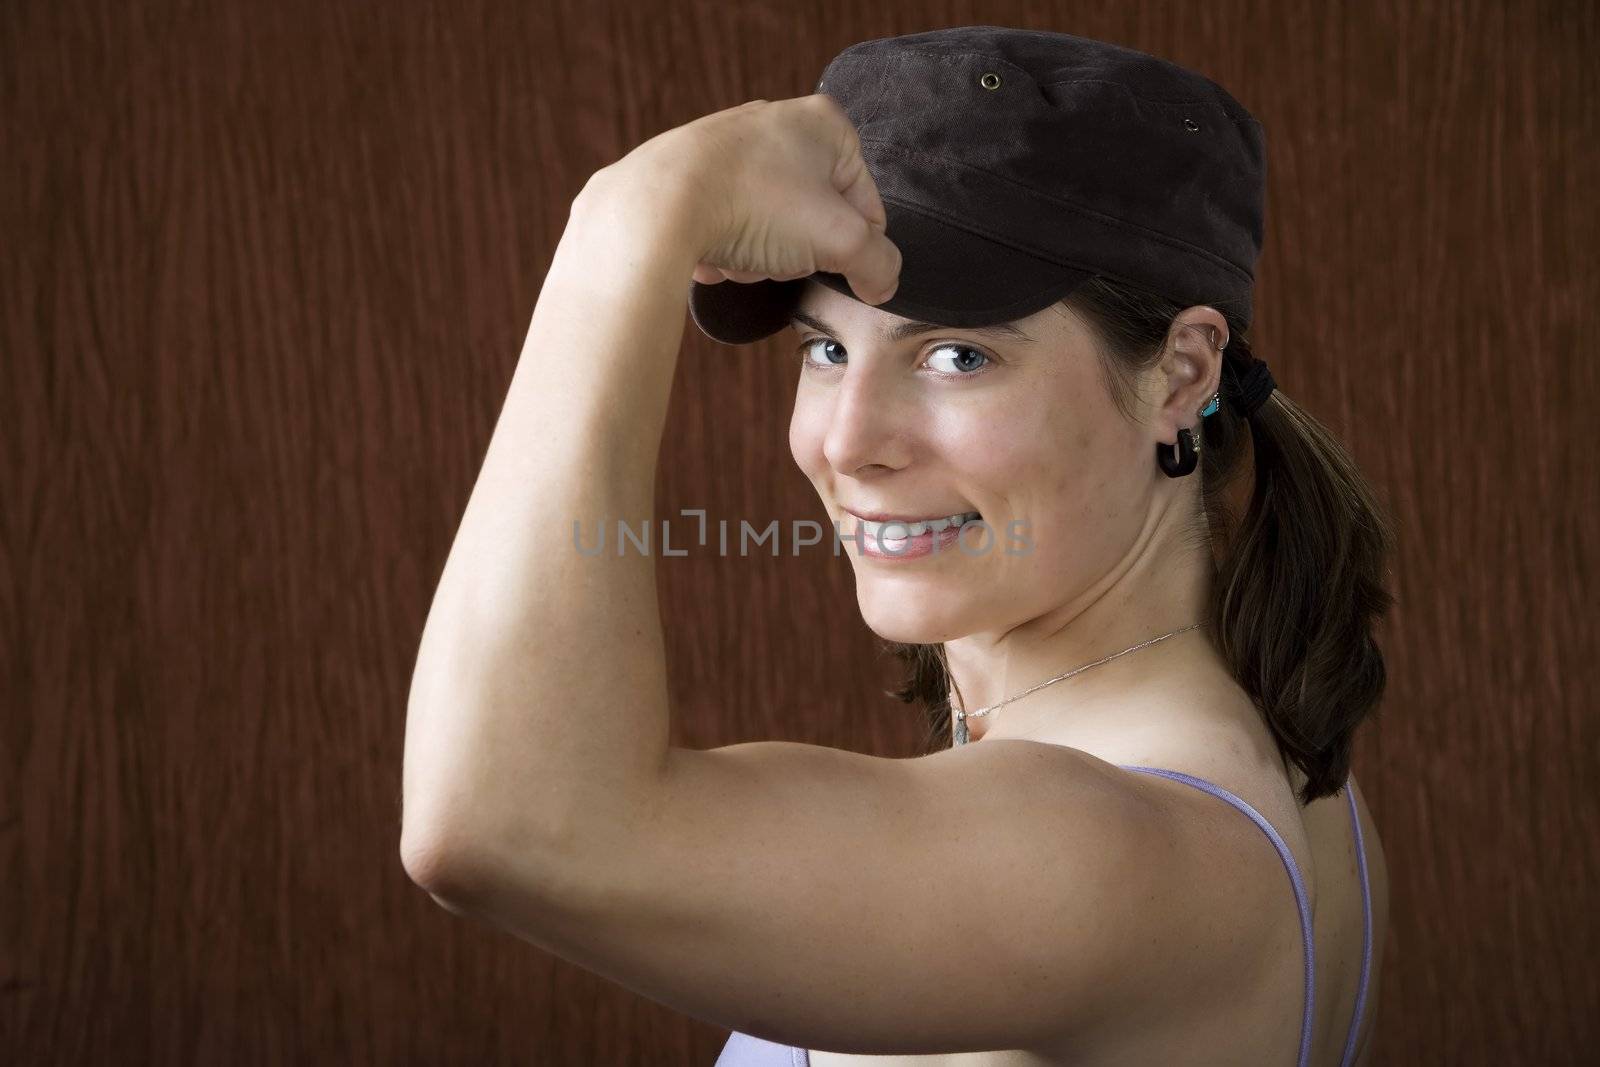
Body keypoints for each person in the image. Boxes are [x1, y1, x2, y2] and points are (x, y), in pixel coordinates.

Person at [400, 24, 1395, 1067]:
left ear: (1183, 374)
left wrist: (626, 216)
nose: (846, 440)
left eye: (956, 354)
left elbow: (498, 825)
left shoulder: (1111, 844)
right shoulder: (1289, 774)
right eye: (826, 347)